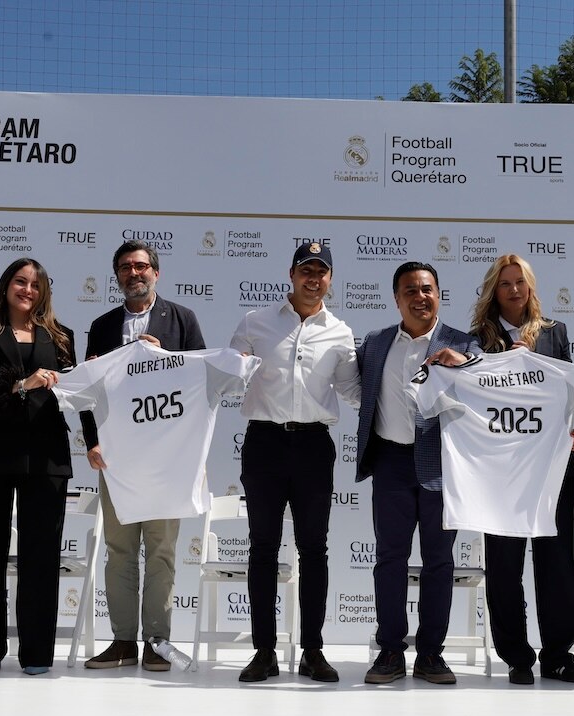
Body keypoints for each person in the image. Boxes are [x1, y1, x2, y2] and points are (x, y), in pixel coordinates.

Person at [230, 241, 360, 683]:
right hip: (264, 444)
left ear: (330, 279)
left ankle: (312, 651)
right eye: (306, 270)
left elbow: (354, 391)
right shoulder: (256, 322)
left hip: (313, 447)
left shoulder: (340, 331)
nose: (313, 279)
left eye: (321, 272)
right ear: (291, 274)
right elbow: (229, 377)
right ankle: (263, 651)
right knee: (262, 549)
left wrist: (408, 382)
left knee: (314, 550)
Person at [81, 240, 206, 672]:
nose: (134, 273)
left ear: (156, 272)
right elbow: (86, 391)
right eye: (125, 267)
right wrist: (91, 441)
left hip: (167, 460)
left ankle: (157, 641)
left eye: (141, 266)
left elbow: (200, 381)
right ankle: (121, 642)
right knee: (119, 550)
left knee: (162, 551)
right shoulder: (101, 326)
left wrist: (165, 358)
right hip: (116, 459)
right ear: (117, 276)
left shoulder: (182, 319)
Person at [355, 261, 481, 685]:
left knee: (439, 562)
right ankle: (390, 650)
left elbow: (488, 383)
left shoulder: (465, 344)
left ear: (439, 295)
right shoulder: (374, 343)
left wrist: (463, 363)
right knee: (389, 558)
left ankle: (431, 655)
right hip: (390, 461)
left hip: (442, 466)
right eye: (410, 290)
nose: (419, 296)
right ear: (396, 299)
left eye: (427, 289)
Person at [0, 257, 76, 676]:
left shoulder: (60, 337)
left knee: (41, 557)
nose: (27, 290)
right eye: (20, 281)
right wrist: (20, 384)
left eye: (36, 284)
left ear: (44, 292)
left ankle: (38, 654)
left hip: (45, 455)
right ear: (6, 285)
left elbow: (79, 393)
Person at [468, 253, 574, 685]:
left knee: (557, 562)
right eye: (505, 284)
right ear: (493, 291)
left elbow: (573, 393)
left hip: (553, 465)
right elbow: (469, 396)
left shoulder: (556, 334)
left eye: (521, 282)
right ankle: (517, 657)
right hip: (500, 471)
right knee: (503, 564)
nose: (514, 289)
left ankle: (558, 654)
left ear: (531, 286)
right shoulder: (477, 339)